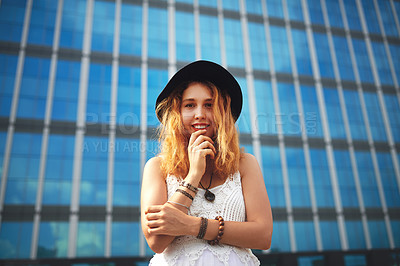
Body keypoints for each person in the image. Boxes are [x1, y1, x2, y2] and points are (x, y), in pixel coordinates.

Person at [141, 60, 273, 265]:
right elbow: (157, 241)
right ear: (177, 113)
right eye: (190, 105)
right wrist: (193, 175)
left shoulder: (245, 164)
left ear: (223, 113)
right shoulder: (157, 167)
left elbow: (263, 236)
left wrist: (192, 226)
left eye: (209, 105)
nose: (200, 114)